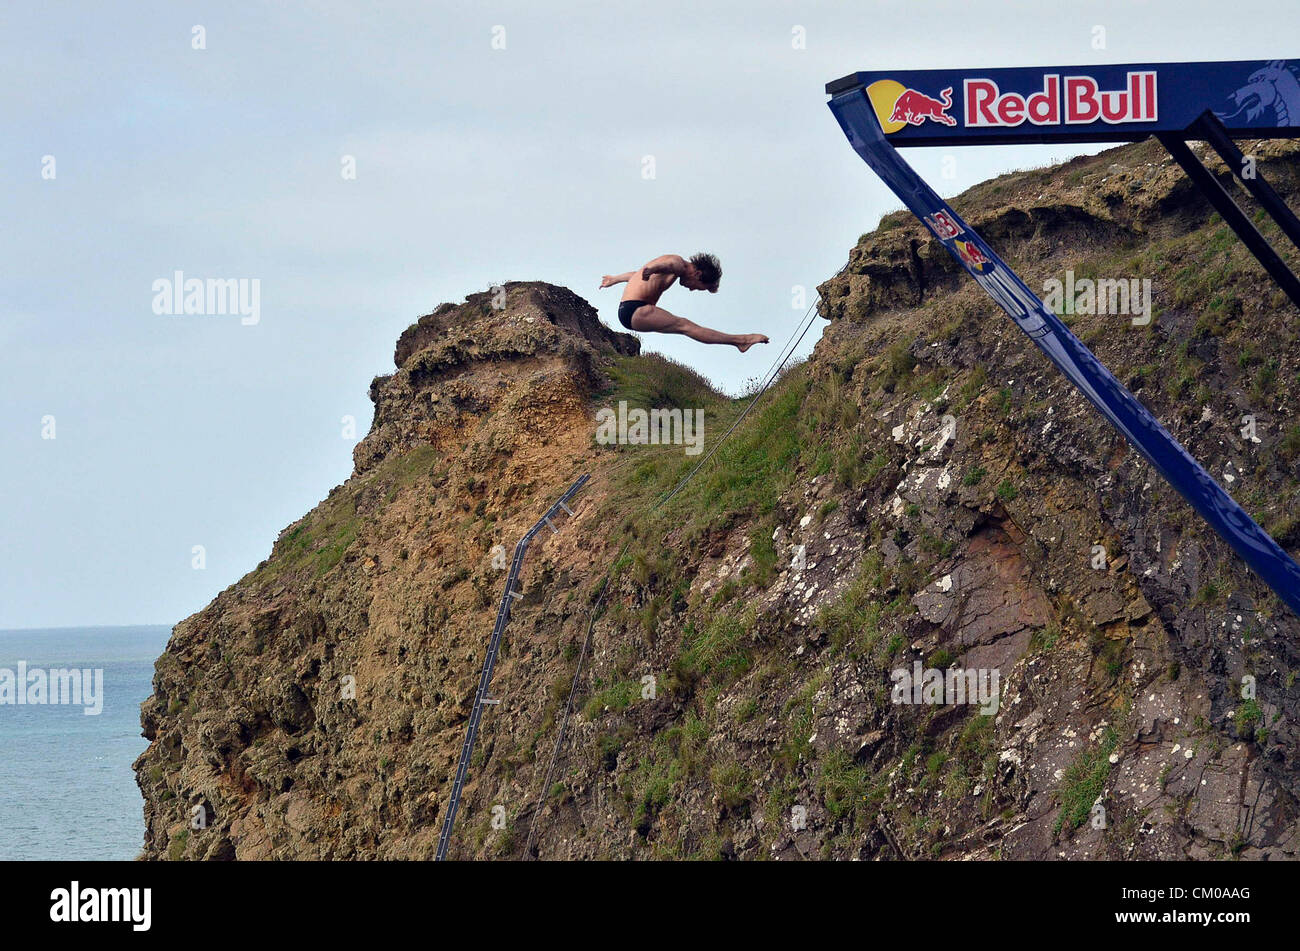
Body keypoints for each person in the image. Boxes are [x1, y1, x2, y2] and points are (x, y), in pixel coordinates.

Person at [599, 253, 769, 352]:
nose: (691, 290)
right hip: (636, 310)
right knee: (686, 326)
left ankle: (740, 341)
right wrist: (653, 269)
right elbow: (669, 265)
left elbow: (636, 275)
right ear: (697, 274)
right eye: (698, 287)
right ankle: (741, 341)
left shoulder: (672, 268)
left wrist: (615, 279)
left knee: (684, 325)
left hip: (629, 310)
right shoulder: (678, 264)